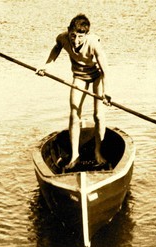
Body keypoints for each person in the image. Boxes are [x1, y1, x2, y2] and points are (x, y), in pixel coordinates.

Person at [36, 14, 110, 169]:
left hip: (97, 76)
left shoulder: (94, 44)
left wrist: (106, 93)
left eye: (80, 37)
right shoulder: (62, 38)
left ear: (86, 35)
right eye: (73, 35)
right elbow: (56, 49)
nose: (76, 41)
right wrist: (46, 66)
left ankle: (98, 152)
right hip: (79, 77)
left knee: (98, 114)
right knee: (74, 113)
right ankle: (75, 155)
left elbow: (106, 71)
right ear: (68, 31)